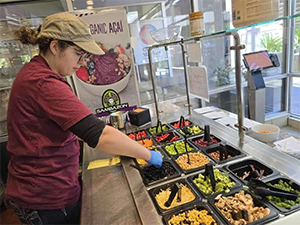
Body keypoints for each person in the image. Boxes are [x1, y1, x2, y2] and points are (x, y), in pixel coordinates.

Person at [5, 12, 162, 225]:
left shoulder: (37, 72)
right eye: (78, 54)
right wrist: (148, 154)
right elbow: (100, 136)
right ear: (55, 47)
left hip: (43, 187)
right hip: (45, 196)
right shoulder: (43, 83)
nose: (81, 63)